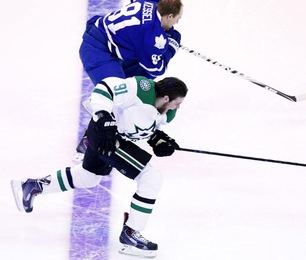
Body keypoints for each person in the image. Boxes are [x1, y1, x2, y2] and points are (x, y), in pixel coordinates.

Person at [11, 76, 188, 258]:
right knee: (151, 178)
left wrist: (157, 139)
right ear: (166, 98)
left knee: (88, 177)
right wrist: (103, 116)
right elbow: (104, 89)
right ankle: (131, 234)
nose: (178, 107)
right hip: (107, 138)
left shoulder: (165, 113)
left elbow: (141, 125)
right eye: (178, 103)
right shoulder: (141, 89)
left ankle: (33, 186)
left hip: (107, 138)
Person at [80, 0, 184, 85]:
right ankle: (105, 98)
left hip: (103, 33)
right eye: (177, 18)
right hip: (97, 50)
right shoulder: (152, 36)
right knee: (118, 93)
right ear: (169, 16)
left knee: (141, 61)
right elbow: (156, 69)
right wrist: (171, 47)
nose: (177, 22)